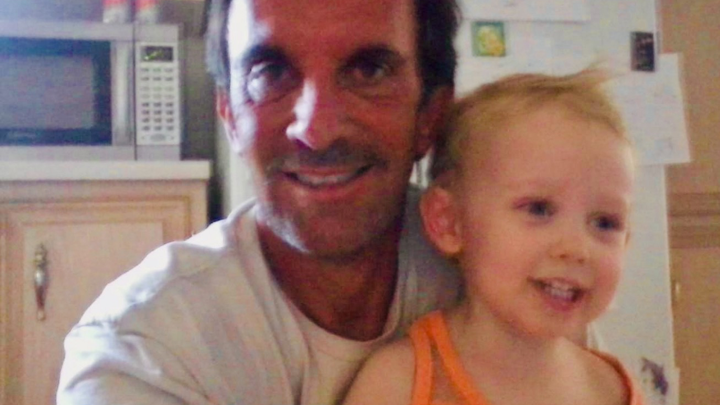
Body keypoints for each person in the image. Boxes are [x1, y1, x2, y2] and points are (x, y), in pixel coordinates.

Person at [56, 0, 464, 404]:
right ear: (229, 116)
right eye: (271, 73)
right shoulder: (143, 351)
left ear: (430, 116)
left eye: (369, 71)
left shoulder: (485, 274)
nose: (316, 131)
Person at [342, 69, 644, 405]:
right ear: (450, 222)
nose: (576, 248)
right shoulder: (400, 383)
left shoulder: (615, 388)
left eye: (605, 223)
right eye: (539, 209)